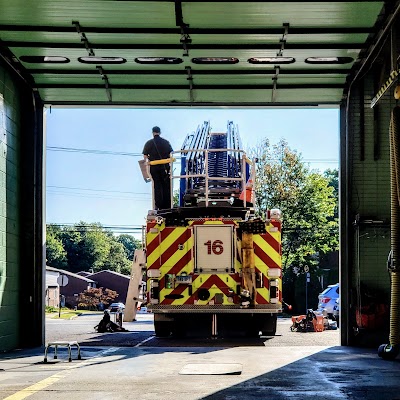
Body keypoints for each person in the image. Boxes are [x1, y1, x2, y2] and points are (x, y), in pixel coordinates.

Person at [142, 126, 173, 210]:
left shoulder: (149, 143)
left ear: (153, 133)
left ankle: (159, 205)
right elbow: (171, 154)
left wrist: (146, 164)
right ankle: (168, 205)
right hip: (165, 168)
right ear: (160, 132)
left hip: (154, 168)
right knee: (166, 186)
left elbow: (145, 156)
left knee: (157, 186)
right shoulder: (166, 142)